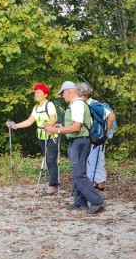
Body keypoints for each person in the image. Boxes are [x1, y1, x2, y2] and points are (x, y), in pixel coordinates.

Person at [45, 81, 105, 214]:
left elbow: (77, 127)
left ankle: (97, 201)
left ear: (68, 91)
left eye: (62, 93)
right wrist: (61, 127)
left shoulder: (77, 104)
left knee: (79, 173)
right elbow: (75, 126)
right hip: (78, 141)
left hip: (80, 142)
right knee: (77, 172)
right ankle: (80, 202)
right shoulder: (76, 104)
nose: (62, 96)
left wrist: (57, 131)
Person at [6, 83, 59, 195]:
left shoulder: (49, 105)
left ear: (45, 94)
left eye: (38, 92)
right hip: (41, 136)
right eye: (35, 92)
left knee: (50, 160)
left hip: (51, 136)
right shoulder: (36, 107)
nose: (36, 94)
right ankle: (51, 183)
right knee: (46, 159)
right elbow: (29, 121)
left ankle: (53, 185)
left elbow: (53, 119)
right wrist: (15, 125)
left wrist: (48, 124)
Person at [76, 82, 115, 192]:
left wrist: (104, 134)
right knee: (92, 163)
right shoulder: (85, 104)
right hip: (92, 138)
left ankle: (98, 192)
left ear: (80, 93)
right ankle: (95, 190)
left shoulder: (93, 104)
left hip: (97, 139)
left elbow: (111, 117)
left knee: (97, 164)